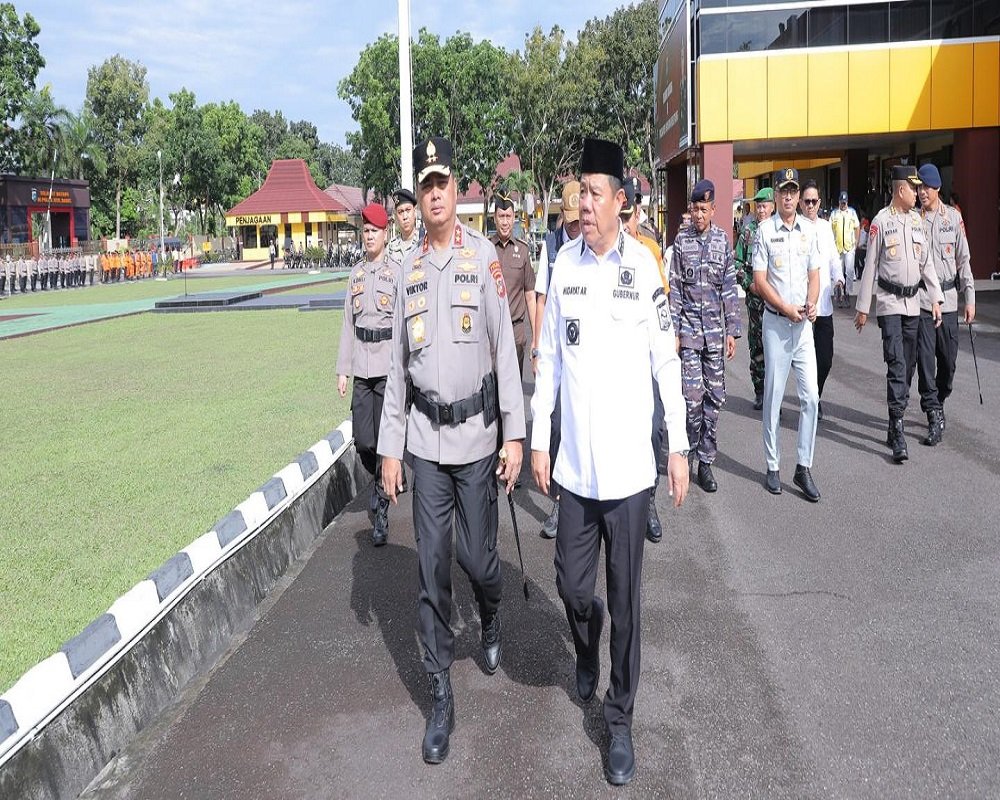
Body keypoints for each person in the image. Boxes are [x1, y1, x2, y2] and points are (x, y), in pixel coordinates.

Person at [530, 137, 690, 787]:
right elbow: (546, 361)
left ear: (621, 202)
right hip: (575, 472)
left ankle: (619, 718)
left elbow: (666, 361)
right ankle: (585, 641)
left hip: (627, 474)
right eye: (580, 193)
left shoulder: (645, 269)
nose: (584, 204)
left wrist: (676, 446)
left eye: (595, 193)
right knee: (575, 589)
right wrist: (539, 436)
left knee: (627, 599)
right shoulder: (561, 266)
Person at [378, 136, 524, 766]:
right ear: (418, 193)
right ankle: (440, 693)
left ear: (455, 188)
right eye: (425, 185)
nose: (434, 194)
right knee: (432, 565)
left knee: (480, 559)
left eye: (443, 184)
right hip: (424, 443)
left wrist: (515, 434)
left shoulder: (483, 257)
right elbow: (394, 370)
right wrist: (389, 449)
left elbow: (504, 355)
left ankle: (490, 614)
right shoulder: (405, 269)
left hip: (477, 437)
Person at [854, 164, 943, 463]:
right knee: (896, 365)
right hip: (890, 305)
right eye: (913, 188)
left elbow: (927, 263)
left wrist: (936, 299)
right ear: (901, 189)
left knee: (909, 366)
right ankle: (898, 430)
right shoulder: (882, 222)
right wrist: (863, 308)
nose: (918, 194)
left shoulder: (917, 222)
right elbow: (870, 267)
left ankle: (894, 420)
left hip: (914, 305)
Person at [751, 167, 822, 501]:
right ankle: (773, 464)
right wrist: (787, 307)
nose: (791, 197)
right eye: (785, 191)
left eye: (794, 191)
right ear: (776, 195)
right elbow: (760, 281)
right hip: (777, 324)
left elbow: (815, 273)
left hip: (803, 327)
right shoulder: (764, 232)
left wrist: (811, 303)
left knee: (811, 398)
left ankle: (803, 466)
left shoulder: (810, 231)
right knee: (774, 397)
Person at [669, 179, 742, 493]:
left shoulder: (723, 241)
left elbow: (728, 286)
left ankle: (706, 462)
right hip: (688, 334)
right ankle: (687, 450)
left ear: (713, 210)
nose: (698, 214)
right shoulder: (681, 241)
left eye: (704, 209)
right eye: (695, 208)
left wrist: (733, 332)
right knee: (692, 400)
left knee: (715, 399)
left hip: (715, 335)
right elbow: (673, 289)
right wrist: (673, 332)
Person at [337, 203, 399, 546]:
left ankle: (382, 511)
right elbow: (348, 324)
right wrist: (343, 370)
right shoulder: (356, 275)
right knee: (364, 440)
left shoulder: (397, 272)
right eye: (365, 231)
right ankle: (378, 480)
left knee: (384, 439)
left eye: (374, 230)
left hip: (388, 368)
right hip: (363, 367)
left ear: (385, 234)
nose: (369, 235)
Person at [621, 178, 671, 539]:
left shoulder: (650, 249)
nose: (624, 222)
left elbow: (662, 305)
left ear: (637, 212)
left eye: (629, 215)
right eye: (619, 215)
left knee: (653, 428)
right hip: (615, 361)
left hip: (646, 356)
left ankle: (649, 496)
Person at [532, 180, 582, 539]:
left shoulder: (593, 244)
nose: (577, 226)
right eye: (572, 220)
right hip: (558, 354)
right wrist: (538, 349)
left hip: (586, 359)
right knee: (556, 426)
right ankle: (559, 502)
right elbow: (541, 299)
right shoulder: (551, 246)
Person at [915, 162, 975, 446]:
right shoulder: (912, 220)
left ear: (937, 188)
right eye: (918, 187)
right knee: (926, 362)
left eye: (926, 187)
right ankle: (933, 414)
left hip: (950, 302)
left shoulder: (953, 218)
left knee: (948, 364)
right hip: (924, 302)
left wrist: (970, 298)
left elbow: (964, 260)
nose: (921, 192)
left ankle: (938, 399)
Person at [800, 180, 843, 420]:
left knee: (825, 359)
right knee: (805, 359)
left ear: (820, 202)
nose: (810, 206)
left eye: (814, 201)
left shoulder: (826, 228)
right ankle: (810, 400)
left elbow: (834, 259)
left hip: (824, 306)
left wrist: (839, 279)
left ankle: (815, 394)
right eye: (806, 201)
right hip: (803, 306)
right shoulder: (795, 228)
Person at [490, 187, 536, 375]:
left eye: (509, 216)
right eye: (501, 216)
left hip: (516, 334)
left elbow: (530, 296)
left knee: (514, 393)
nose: (505, 222)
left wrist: (536, 338)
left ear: (514, 217)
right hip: (491, 335)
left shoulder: (523, 251)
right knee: (491, 395)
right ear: (494, 218)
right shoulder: (486, 249)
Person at [735, 187, 773, 410]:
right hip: (755, 303)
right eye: (758, 206)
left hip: (776, 303)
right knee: (757, 348)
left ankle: (773, 395)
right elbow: (738, 264)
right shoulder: (749, 232)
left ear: (772, 207)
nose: (761, 210)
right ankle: (760, 391)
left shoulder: (779, 231)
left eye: (764, 206)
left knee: (775, 351)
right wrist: (748, 283)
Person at [830, 190, 860, 305]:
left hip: (849, 247)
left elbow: (857, 227)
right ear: (839, 202)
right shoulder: (834, 214)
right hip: (837, 247)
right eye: (842, 203)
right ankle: (839, 293)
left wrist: (856, 242)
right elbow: (830, 229)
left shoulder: (852, 213)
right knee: (838, 271)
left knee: (849, 271)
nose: (843, 205)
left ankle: (847, 293)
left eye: (845, 202)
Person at [386, 188, 421, 267]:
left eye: (408, 210)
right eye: (400, 212)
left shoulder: (424, 241)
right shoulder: (391, 247)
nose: (405, 217)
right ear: (396, 216)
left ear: (414, 211)